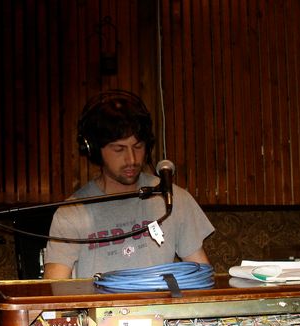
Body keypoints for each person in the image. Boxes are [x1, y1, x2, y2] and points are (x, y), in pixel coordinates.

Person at [43, 90, 214, 279]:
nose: (131, 159)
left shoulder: (172, 198)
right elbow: (54, 287)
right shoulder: (71, 213)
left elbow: (202, 276)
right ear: (94, 150)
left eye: (138, 147)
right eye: (119, 149)